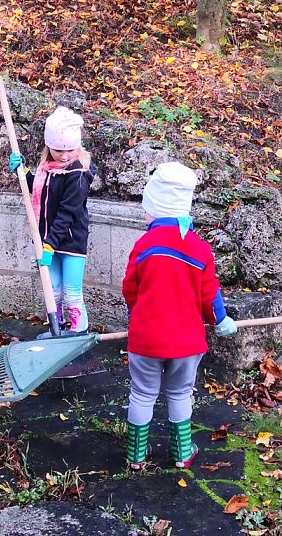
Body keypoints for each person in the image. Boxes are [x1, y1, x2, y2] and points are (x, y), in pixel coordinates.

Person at [122, 161, 238, 470]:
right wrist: (220, 320)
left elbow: (130, 287)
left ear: (156, 208)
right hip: (187, 342)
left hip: (145, 340)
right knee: (180, 392)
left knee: (142, 393)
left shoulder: (144, 245)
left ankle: (136, 456)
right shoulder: (199, 249)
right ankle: (182, 452)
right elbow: (210, 294)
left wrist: (137, 315)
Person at [9, 106, 96, 333]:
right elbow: (41, 192)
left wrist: (49, 244)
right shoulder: (47, 168)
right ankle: (58, 332)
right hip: (47, 241)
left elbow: (67, 212)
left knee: (72, 294)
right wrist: (24, 172)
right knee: (53, 291)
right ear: (48, 146)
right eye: (58, 150)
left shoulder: (79, 173)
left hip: (71, 242)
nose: (64, 156)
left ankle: (78, 336)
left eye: (70, 150)